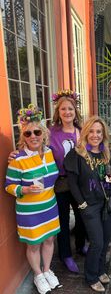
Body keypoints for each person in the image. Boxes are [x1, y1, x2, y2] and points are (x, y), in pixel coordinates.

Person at [5, 104, 61, 294]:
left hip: (49, 207)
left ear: (43, 133)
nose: (33, 136)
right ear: (23, 137)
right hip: (30, 211)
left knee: (49, 240)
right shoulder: (17, 159)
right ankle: (38, 274)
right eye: (28, 134)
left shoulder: (50, 153)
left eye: (37, 132)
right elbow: (9, 186)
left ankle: (47, 270)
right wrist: (24, 189)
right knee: (34, 244)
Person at [64, 116, 111, 292]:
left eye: (99, 132)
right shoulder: (76, 154)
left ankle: (101, 269)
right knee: (96, 242)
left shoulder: (105, 152)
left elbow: (107, 178)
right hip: (89, 205)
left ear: (103, 134)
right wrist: (82, 205)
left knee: (106, 239)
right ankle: (91, 276)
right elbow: (72, 183)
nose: (95, 135)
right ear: (86, 132)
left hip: (105, 203)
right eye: (92, 131)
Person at [50, 90, 87, 273]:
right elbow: (35, 147)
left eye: (70, 109)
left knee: (81, 216)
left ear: (75, 111)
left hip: (79, 182)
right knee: (63, 220)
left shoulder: (82, 132)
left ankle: (80, 246)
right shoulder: (51, 133)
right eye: (63, 109)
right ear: (58, 112)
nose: (67, 112)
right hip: (61, 182)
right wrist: (16, 153)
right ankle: (65, 254)